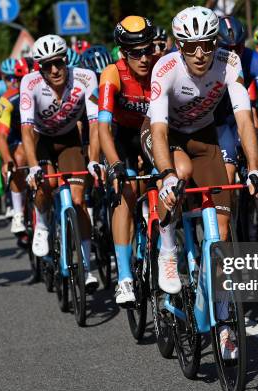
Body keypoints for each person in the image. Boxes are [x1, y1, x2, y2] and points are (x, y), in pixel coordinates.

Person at [142, 6, 258, 358]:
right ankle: (168, 249)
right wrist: (166, 174)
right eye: (190, 46)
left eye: (206, 45)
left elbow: (244, 121)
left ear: (215, 43)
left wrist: (254, 168)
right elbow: (159, 129)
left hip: (204, 137)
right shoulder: (165, 69)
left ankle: (224, 321)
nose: (199, 54)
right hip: (166, 138)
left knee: (221, 234)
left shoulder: (229, 63)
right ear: (179, 45)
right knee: (177, 177)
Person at [21, 34, 100, 290]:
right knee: (43, 187)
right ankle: (42, 222)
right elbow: (26, 128)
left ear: (66, 60)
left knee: (78, 201)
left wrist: (94, 160)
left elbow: (95, 123)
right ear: (39, 68)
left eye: (58, 62)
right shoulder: (29, 83)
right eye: (46, 65)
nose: (54, 70)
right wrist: (33, 167)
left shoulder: (86, 77)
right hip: (41, 139)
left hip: (69, 139)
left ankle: (86, 266)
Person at [98, 15, 156, 306]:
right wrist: (115, 164)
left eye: (149, 49)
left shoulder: (160, 66)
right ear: (123, 52)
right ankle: (124, 278)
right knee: (125, 194)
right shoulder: (112, 73)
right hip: (121, 138)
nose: (145, 58)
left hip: (150, 134)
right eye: (136, 53)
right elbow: (104, 127)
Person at [215, 15, 258, 182]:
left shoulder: (253, 59)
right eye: (227, 48)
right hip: (216, 122)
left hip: (239, 118)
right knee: (227, 176)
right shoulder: (208, 60)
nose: (234, 54)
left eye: (238, 47)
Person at [0, 58, 37, 248]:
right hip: (16, 137)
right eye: (22, 79)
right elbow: (0, 136)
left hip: (39, 136)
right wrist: (6, 160)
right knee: (18, 158)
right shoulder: (8, 99)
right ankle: (19, 212)